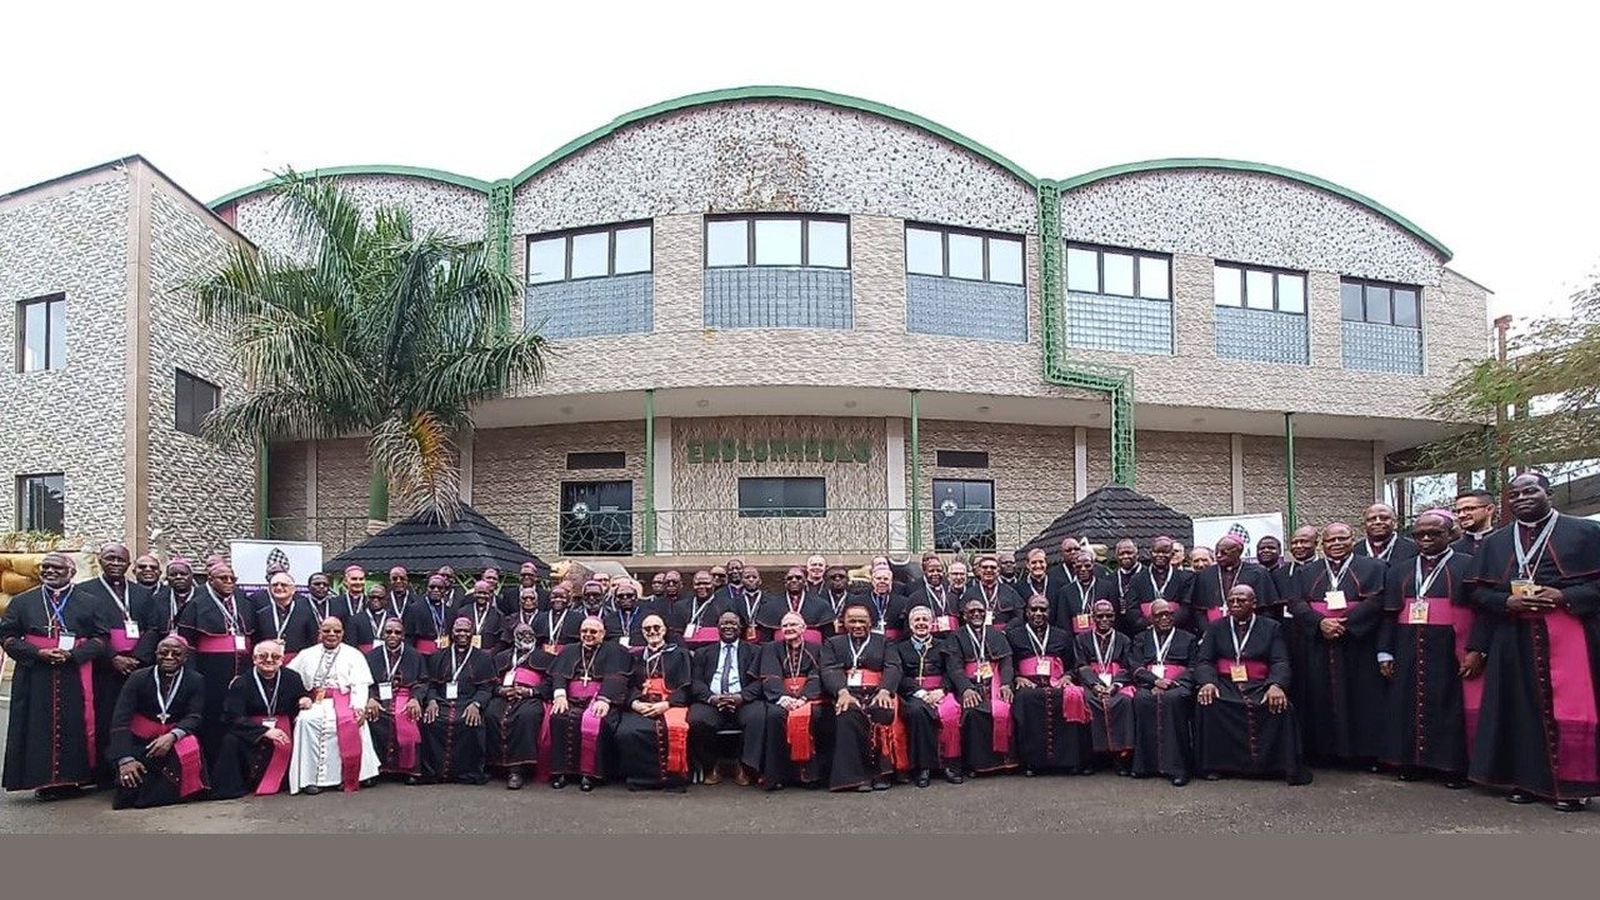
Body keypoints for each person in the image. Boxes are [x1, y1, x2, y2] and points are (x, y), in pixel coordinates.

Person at [1468, 472, 1600, 811]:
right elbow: (1478, 593)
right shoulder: (1496, 542)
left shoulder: (1585, 532)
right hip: (1513, 635)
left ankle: (1572, 787)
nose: (1522, 498)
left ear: (1548, 492)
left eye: (1530, 490)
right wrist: (1506, 602)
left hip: (1568, 632)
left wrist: (1564, 595)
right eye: (1514, 494)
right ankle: (1526, 781)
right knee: (1518, 709)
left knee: (1570, 710)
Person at [1377, 512, 1485, 789]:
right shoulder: (1400, 569)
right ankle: (1412, 762)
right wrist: (1385, 652)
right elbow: (1389, 614)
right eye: (1419, 535)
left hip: (1450, 644)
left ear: (1450, 534)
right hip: (1407, 643)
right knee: (1408, 703)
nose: (1425, 539)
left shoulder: (1468, 565)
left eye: (1434, 534)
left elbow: (1483, 612)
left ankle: (1452, 766)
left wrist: (1476, 649)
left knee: (1449, 704)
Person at [1, 553, 111, 799]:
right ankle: (41, 780)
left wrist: (73, 656)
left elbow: (101, 638)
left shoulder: (89, 602)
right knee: (37, 724)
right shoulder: (22, 602)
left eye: (57, 568)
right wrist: (38, 653)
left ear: (71, 572)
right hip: (35, 673)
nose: (50, 571)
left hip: (75, 671)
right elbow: (7, 637)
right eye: (45, 567)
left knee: (76, 723)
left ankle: (73, 779)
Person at [1289, 522, 1388, 768]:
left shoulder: (1374, 567)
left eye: (1341, 539)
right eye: (1330, 540)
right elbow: (1296, 602)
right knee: (1318, 696)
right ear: (1323, 544)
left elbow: (1378, 600)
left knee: (1361, 698)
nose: (1336, 544)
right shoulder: (1306, 572)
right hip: (1319, 644)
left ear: (1352, 539)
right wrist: (1321, 623)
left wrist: (1345, 624)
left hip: (1357, 643)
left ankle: (1363, 754)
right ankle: (1323, 753)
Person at [1193, 584, 1310, 784]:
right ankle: (1214, 766)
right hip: (1225, 682)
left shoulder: (1271, 627)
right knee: (1209, 704)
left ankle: (1278, 766)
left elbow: (1280, 661)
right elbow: (1204, 660)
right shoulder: (1216, 627)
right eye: (1231, 601)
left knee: (1282, 707)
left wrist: (1276, 685)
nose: (1235, 604)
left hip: (1259, 683)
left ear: (1254, 603)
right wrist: (1207, 683)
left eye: (1241, 600)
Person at [81, 541, 157, 783]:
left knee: (135, 717)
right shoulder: (85, 592)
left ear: (128, 564)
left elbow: (153, 629)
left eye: (120, 560)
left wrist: (136, 658)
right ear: (100, 560)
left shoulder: (142, 593)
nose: (115, 563)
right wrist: (113, 657)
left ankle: (133, 766)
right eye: (110, 558)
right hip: (105, 666)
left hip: (137, 665)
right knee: (105, 717)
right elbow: (87, 631)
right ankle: (104, 773)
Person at [108, 634, 208, 808]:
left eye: (176, 653)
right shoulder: (138, 678)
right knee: (128, 793)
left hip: (173, 742)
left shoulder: (195, 680)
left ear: (185, 657)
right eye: (164, 652)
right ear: (156, 654)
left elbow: (194, 716)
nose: (169, 657)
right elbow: (120, 720)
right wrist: (125, 759)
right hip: (139, 744)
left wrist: (172, 736)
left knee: (189, 749)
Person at [285, 616, 379, 794]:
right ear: (319, 633)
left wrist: (359, 707)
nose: (331, 634)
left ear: (342, 633)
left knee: (352, 721)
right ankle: (309, 779)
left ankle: (350, 776)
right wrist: (301, 697)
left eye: (336, 631)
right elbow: (290, 678)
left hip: (345, 700)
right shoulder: (306, 654)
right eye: (327, 630)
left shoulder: (353, 654)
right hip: (316, 701)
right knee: (306, 721)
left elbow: (360, 684)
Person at [176, 562, 257, 758]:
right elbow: (188, 643)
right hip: (211, 671)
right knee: (213, 715)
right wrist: (192, 673)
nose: (229, 582)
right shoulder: (196, 604)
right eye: (223, 578)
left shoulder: (244, 604)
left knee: (241, 713)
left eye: (232, 579)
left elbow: (254, 638)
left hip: (243, 668)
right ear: (210, 581)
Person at [820, 603, 904, 792]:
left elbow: (893, 666)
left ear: (870, 623)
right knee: (847, 714)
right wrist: (842, 692)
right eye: (852, 621)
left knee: (882, 711)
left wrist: (884, 691)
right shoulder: (833, 643)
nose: (857, 625)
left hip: (877, 691)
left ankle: (882, 774)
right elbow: (829, 669)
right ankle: (858, 777)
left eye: (862, 621)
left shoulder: (884, 642)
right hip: (847, 693)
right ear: (844, 623)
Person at [1006, 592, 1090, 776]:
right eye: (1034, 609)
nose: (1038, 613)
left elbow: (1073, 663)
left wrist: (1068, 677)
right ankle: (1032, 763)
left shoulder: (1063, 636)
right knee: (1026, 699)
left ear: (1049, 612)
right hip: (1029, 684)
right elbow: (1008, 664)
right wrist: (1017, 677)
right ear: (1026, 612)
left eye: (1042, 609)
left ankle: (1071, 761)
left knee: (1073, 698)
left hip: (1056, 682)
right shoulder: (1013, 636)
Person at [210, 640, 307, 798]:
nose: (269, 660)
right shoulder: (241, 682)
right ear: (254, 659)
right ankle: (233, 788)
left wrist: (304, 699)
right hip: (250, 730)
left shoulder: (292, 678)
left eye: (275, 656)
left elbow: (300, 697)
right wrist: (264, 731)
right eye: (263, 656)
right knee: (230, 740)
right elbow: (232, 716)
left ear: (282, 659)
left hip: (284, 727)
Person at [546, 616, 630, 791]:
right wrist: (560, 695)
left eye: (593, 631)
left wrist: (605, 699)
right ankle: (562, 772)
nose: (588, 635)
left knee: (595, 721)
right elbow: (559, 674)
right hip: (571, 699)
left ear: (603, 634)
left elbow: (618, 677)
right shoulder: (569, 650)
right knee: (559, 717)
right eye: (584, 631)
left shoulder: (615, 651)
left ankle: (589, 774)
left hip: (598, 699)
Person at [614, 614, 693, 792]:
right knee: (627, 732)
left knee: (675, 729)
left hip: (670, 703)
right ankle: (641, 779)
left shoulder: (680, 654)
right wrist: (634, 703)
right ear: (642, 633)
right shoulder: (634, 656)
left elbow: (686, 685)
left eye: (656, 627)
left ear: (664, 630)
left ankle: (673, 780)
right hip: (642, 702)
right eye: (647, 629)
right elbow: (626, 683)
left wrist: (668, 704)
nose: (652, 632)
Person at [754, 612, 830, 790]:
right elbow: (769, 675)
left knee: (817, 716)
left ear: (803, 628)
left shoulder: (817, 649)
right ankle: (778, 776)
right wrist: (783, 698)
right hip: (781, 697)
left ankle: (809, 776)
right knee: (774, 716)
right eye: (785, 626)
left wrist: (804, 697)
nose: (788, 629)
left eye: (793, 625)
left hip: (809, 698)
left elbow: (818, 675)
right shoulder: (770, 648)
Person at [688, 611, 764, 785]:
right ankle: (713, 764)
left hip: (743, 700)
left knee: (759, 716)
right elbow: (695, 682)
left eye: (733, 623)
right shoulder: (703, 652)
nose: (728, 626)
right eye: (724, 623)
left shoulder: (755, 651)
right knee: (696, 720)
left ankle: (744, 766)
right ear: (717, 627)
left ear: (741, 628)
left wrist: (741, 697)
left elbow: (759, 682)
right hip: (712, 701)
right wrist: (711, 698)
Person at [895, 606, 966, 787]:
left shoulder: (944, 645)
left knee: (951, 712)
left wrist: (942, 690)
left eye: (925, 620)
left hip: (940, 692)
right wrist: (920, 693)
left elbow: (952, 670)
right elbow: (899, 675)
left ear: (932, 624)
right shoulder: (899, 648)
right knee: (919, 712)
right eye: (917, 620)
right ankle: (923, 768)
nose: (921, 624)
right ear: (910, 625)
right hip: (914, 693)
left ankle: (950, 765)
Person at [421, 617, 497, 785]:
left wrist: (476, 704)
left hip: (468, 701)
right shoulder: (438, 657)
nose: (462, 634)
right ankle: (434, 772)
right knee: (430, 722)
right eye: (458, 630)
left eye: (466, 631)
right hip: (441, 701)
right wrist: (431, 701)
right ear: (452, 633)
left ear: (472, 634)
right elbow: (431, 684)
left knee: (471, 722)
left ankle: (468, 773)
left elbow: (486, 688)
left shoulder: (483, 658)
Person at [1127, 599, 1195, 786]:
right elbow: (1136, 666)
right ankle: (1144, 765)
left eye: (1168, 614)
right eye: (1159, 615)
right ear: (1151, 618)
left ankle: (1178, 768)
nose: (1165, 618)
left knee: (1173, 700)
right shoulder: (1141, 638)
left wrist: (1172, 683)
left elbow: (1194, 667)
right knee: (1142, 699)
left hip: (1178, 685)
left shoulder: (1188, 638)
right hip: (1150, 683)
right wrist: (1154, 682)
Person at [1075, 599, 1135, 775]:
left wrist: (1115, 685)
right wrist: (1094, 685)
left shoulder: (1123, 639)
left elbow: (1127, 666)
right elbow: (1081, 665)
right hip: (1091, 683)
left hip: (1117, 682)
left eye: (1108, 616)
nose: (1104, 619)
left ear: (1114, 617)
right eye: (1100, 616)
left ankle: (1120, 757)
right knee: (1087, 701)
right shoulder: (1081, 639)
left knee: (1123, 702)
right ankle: (1093, 758)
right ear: (1093, 617)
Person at [363, 618, 425, 783]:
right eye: (388, 632)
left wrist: (415, 699)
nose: (393, 635)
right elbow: (364, 682)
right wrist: (370, 699)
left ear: (403, 635)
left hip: (406, 697)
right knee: (373, 719)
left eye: (397, 632)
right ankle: (374, 770)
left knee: (410, 715)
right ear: (382, 634)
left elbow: (422, 682)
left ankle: (410, 769)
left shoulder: (415, 655)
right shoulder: (371, 656)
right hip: (379, 698)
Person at [485, 624, 546, 790]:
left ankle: (517, 770)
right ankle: (495, 765)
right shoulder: (502, 657)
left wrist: (531, 691)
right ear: (514, 637)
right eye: (521, 634)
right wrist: (500, 690)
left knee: (526, 716)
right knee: (491, 714)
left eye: (529, 633)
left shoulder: (545, 657)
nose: (526, 636)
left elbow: (550, 681)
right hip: (504, 694)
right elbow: (491, 680)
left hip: (530, 696)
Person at [1188, 537, 1277, 629]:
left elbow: (1266, 609)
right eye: (1217, 552)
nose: (1218, 556)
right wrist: (1208, 632)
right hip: (1213, 631)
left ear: (1238, 552)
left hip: (1250, 630)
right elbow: (1199, 610)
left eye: (1224, 553)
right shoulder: (1205, 575)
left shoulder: (1258, 573)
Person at [1124, 536, 1195, 634]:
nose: (1160, 555)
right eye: (1156, 552)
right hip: (1145, 632)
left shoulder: (1185, 578)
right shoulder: (1137, 579)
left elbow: (1186, 607)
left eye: (1165, 552)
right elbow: (1132, 609)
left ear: (1172, 554)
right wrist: (1149, 624)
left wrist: (1166, 624)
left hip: (1177, 632)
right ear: (1150, 553)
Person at [255, 571, 318, 662]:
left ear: (293, 589)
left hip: (299, 662)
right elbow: (257, 642)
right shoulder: (262, 614)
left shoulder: (307, 613)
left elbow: (313, 642)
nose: (279, 587)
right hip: (269, 663)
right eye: (275, 585)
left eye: (283, 585)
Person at [758, 567, 831, 644]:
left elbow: (827, 636)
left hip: (814, 651)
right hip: (780, 651)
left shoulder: (821, 604)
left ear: (805, 581)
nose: (794, 580)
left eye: (798, 578)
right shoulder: (770, 605)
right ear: (785, 583)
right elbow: (766, 639)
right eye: (790, 578)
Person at [1059, 551, 1115, 637]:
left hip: (1103, 637)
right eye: (1079, 566)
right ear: (1074, 567)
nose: (1083, 569)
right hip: (1076, 639)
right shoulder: (1065, 591)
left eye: (1087, 566)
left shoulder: (1107, 587)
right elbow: (1063, 621)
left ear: (1093, 566)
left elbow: (1114, 617)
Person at [676, 571, 727, 649]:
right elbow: (676, 633)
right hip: (687, 651)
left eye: (706, 583)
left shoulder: (724, 605)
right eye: (698, 584)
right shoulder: (680, 606)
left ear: (713, 584)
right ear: (693, 585)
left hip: (714, 651)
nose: (702, 587)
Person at [971, 554, 1023, 629]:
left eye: (993, 567)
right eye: (985, 567)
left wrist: (1006, 628)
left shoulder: (1010, 591)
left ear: (998, 571)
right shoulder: (969, 593)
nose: (989, 570)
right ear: (979, 570)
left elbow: (1019, 617)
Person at [407, 574, 455, 654]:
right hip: (423, 652)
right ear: (427, 588)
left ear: (445, 590)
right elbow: (409, 635)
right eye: (432, 587)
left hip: (444, 652)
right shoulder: (415, 608)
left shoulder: (449, 611)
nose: (436, 590)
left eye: (440, 588)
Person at [462, 580, 505, 653]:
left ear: (490, 595)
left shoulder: (498, 615)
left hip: (488, 655)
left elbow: (502, 638)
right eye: (479, 593)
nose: (482, 596)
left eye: (485, 593)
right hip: (466, 652)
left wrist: (493, 651)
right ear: (474, 594)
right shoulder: (463, 612)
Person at [1453, 489, 1498, 555]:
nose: (1461, 515)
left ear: (1489, 509)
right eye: (1458, 511)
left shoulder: (1505, 542)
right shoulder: (1453, 549)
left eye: (1469, 509)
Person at [732, 567, 769, 642]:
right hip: (742, 640)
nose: (751, 579)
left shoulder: (770, 600)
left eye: (754, 577)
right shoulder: (734, 602)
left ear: (760, 581)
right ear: (742, 581)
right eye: (747, 577)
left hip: (765, 641)